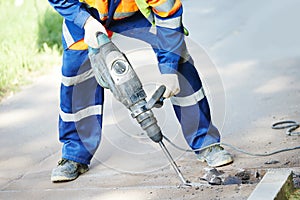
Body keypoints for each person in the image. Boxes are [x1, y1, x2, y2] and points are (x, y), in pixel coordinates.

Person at [48, 0, 233, 182]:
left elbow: (168, 15)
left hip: (137, 13)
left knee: (179, 60)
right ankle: (74, 154)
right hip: (86, 13)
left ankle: (206, 142)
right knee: (76, 72)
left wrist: (169, 69)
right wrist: (85, 22)